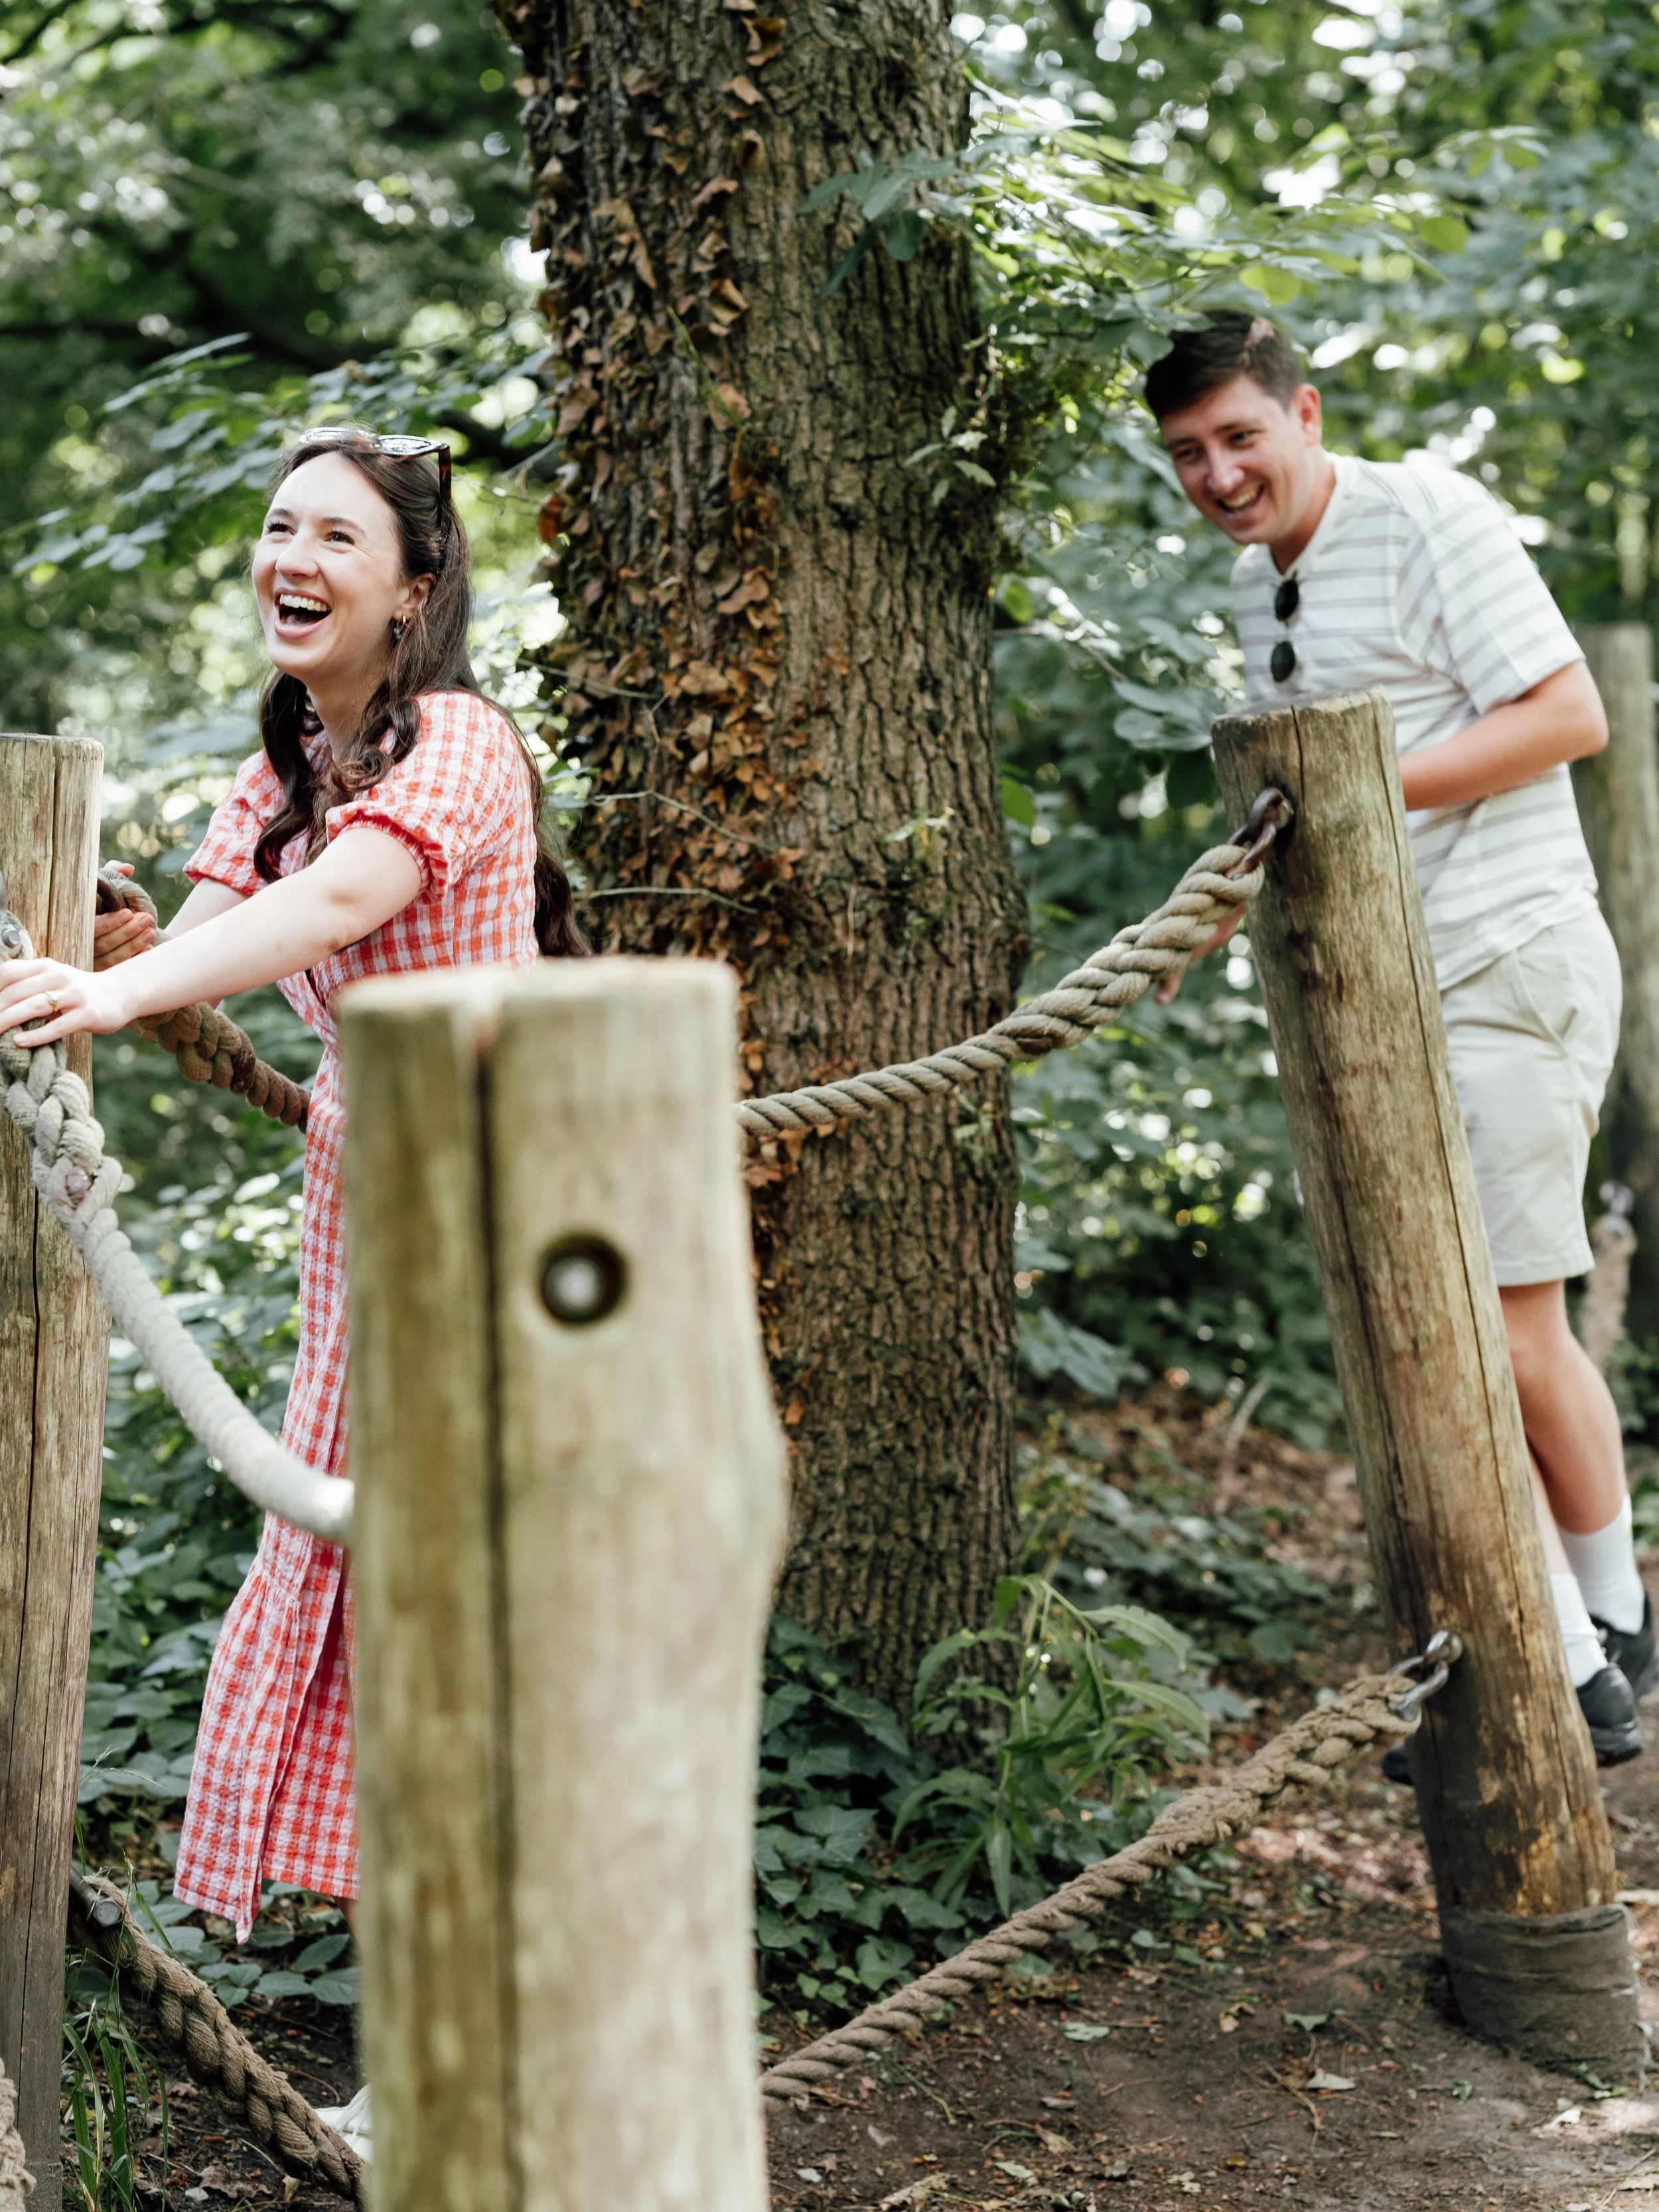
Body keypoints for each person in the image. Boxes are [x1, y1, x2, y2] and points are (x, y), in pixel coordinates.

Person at [0, 427, 583, 2149]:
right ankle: (443, 2068)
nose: (291, 554)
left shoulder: (461, 746)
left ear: (415, 587)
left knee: (453, 1633)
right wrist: (95, 950)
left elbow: (338, 901)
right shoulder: (287, 758)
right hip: (366, 1209)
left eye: (337, 532)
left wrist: (107, 1000)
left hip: (497, 1205)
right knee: (367, 1627)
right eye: (275, 527)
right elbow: (191, 933)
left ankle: (497, 2073)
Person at [1143, 312, 1652, 1766]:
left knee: (1491, 1332)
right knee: (1481, 1330)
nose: (1219, 472)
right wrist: (1214, 905)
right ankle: (1607, 1626)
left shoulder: (1426, 512)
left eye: (1240, 435)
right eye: (1186, 452)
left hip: (1504, 958)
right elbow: (1292, 815)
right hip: (1383, 993)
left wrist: (1345, 792)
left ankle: (1563, 1664)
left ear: (1300, 411)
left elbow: (1567, 715)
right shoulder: (1260, 588)